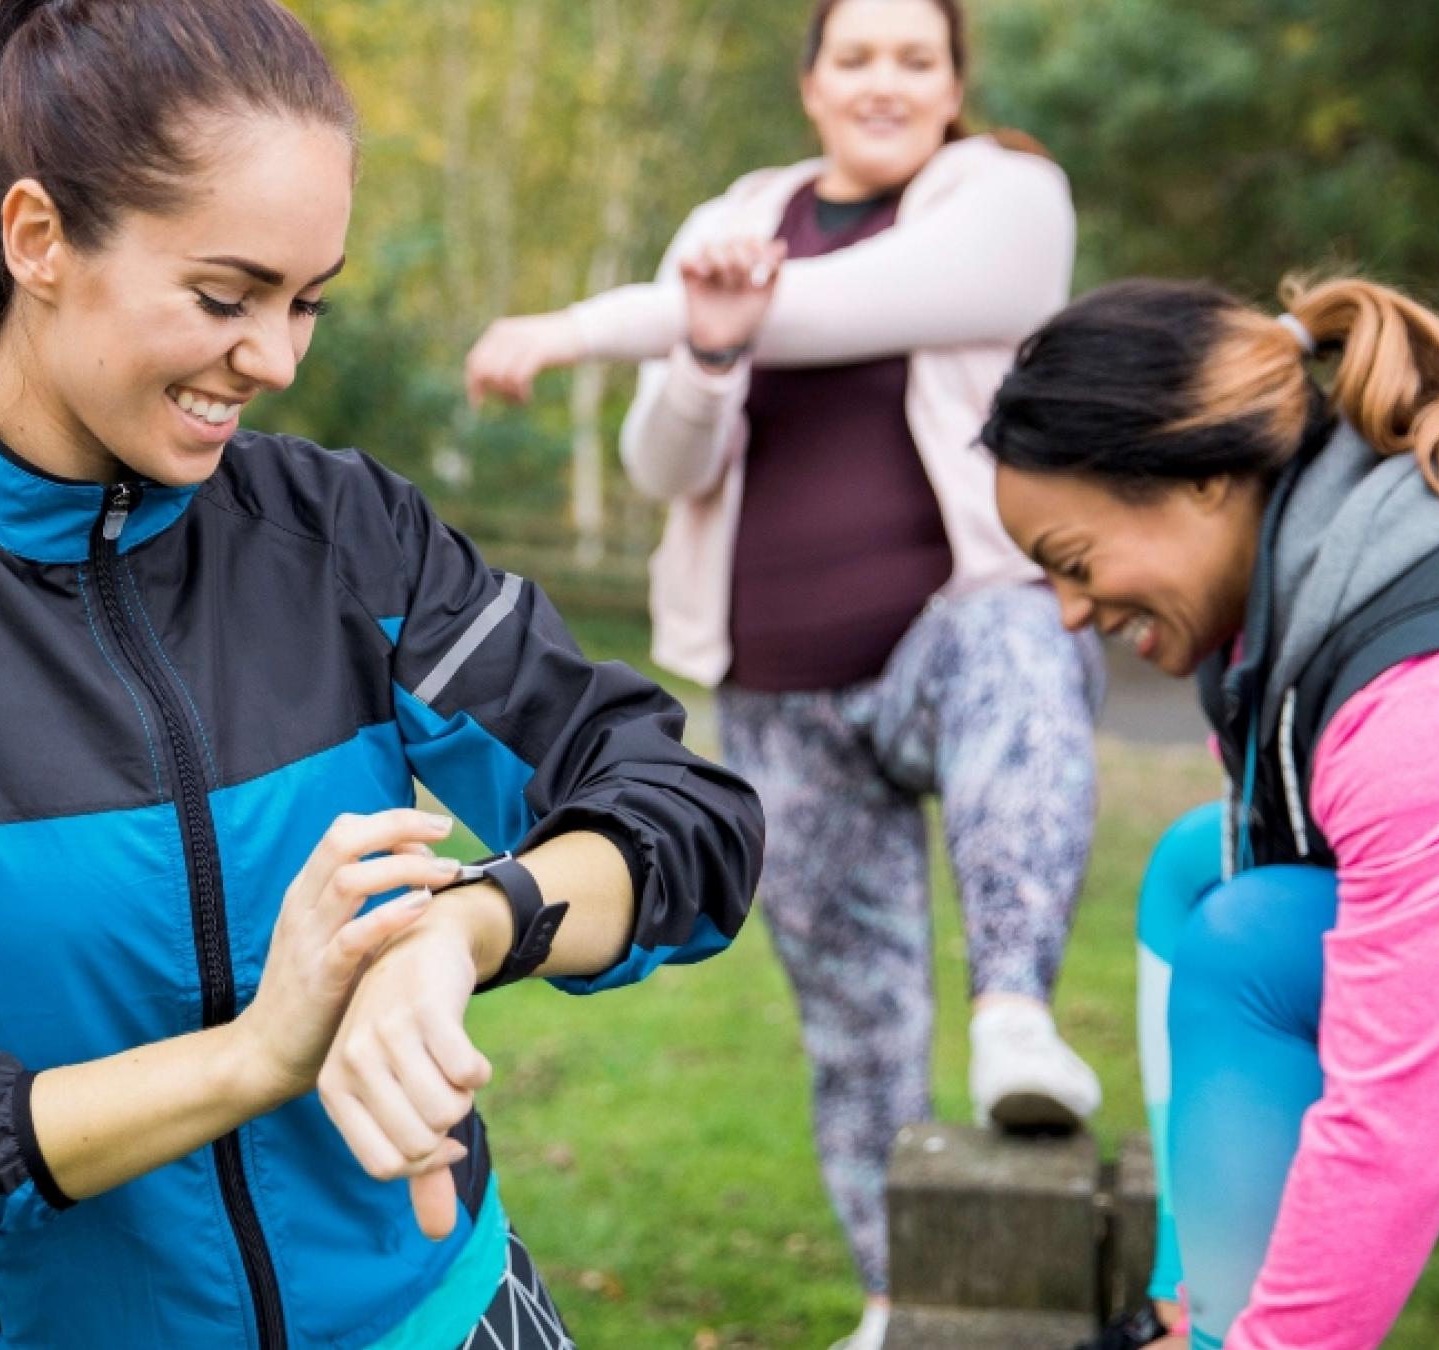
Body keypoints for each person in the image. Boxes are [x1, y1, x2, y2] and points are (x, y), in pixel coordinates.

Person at [0, 2, 766, 1346]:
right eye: (226, 297)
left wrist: (464, 930)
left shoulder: (342, 535)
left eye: (307, 301)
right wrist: (250, 1056)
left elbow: (684, 816)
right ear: (39, 239)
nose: (279, 359)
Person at [464, 1, 1100, 1343]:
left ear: (954, 84)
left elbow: (838, 310)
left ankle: (1014, 1012)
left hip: (952, 631)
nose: (885, 82)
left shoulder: (1008, 199)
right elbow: (663, 465)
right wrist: (698, 349)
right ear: (810, 84)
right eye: (855, 57)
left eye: (916, 59)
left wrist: (588, 326)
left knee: (1023, 664)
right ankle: (893, 1294)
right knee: (853, 1023)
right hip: (775, 688)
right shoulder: (736, 215)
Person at [985, 275, 1439, 1350]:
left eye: (1075, 563)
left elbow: (1395, 1119)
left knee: (1249, 942)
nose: (1072, 613)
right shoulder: (1298, 605)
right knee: (1190, 866)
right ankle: (1189, 1309)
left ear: (1205, 480)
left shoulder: (1423, 693)